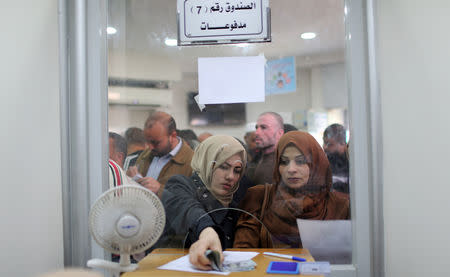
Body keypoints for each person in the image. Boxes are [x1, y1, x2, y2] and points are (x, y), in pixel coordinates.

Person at [233, 131, 349, 248]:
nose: (291, 169)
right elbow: (243, 254)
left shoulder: (339, 205)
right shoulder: (259, 198)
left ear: (316, 164)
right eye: (284, 162)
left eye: (300, 161)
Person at [161, 135, 247, 270]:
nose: (230, 176)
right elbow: (189, 209)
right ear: (206, 161)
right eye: (223, 166)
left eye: (237, 170)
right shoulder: (180, 185)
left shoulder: (234, 208)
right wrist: (207, 231)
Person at [131, 111, 194, 196]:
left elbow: (193, 200)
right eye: (147, 142)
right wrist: (129, 179)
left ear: (173, 136)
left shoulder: (192, 161)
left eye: (155, 142)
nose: (150, 147)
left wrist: (160, 190)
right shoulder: (146, 155)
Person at [248, 112, 284, 186]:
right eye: (256, 128)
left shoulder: (283, 163)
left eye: (263, 127)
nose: (256, 132)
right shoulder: (257, 158)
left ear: (279, 133)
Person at [323, 124, 349, 195]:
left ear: (342, 144)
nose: (325, 147)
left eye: (329, 144)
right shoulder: (324, 164)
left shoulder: (352, 164)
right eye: (324, 143)